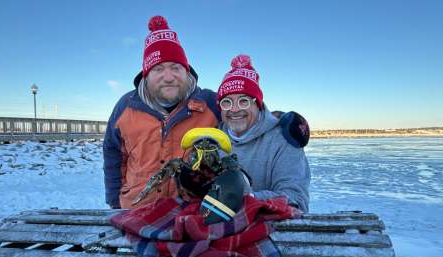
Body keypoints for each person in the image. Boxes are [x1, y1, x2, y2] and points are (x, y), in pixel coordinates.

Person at [103, 15, 220, 209]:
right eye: (158, 69)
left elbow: (247, 114)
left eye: (176, 67)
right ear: (147, 75)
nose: (168, 77)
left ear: (187, 72)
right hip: (136, 211)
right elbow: (113, 153)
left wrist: (283, 124)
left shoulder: (210, 103)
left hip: (195, 213)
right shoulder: (125, 106)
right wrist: (115, 201)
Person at [217, 54, 310, 212]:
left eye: (244, 101)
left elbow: (296, 199)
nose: (234, 109)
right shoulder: (213, 139)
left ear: (257, 104)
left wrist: (246, 199)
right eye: (226, 102)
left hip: (272, 230)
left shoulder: (284, 139)